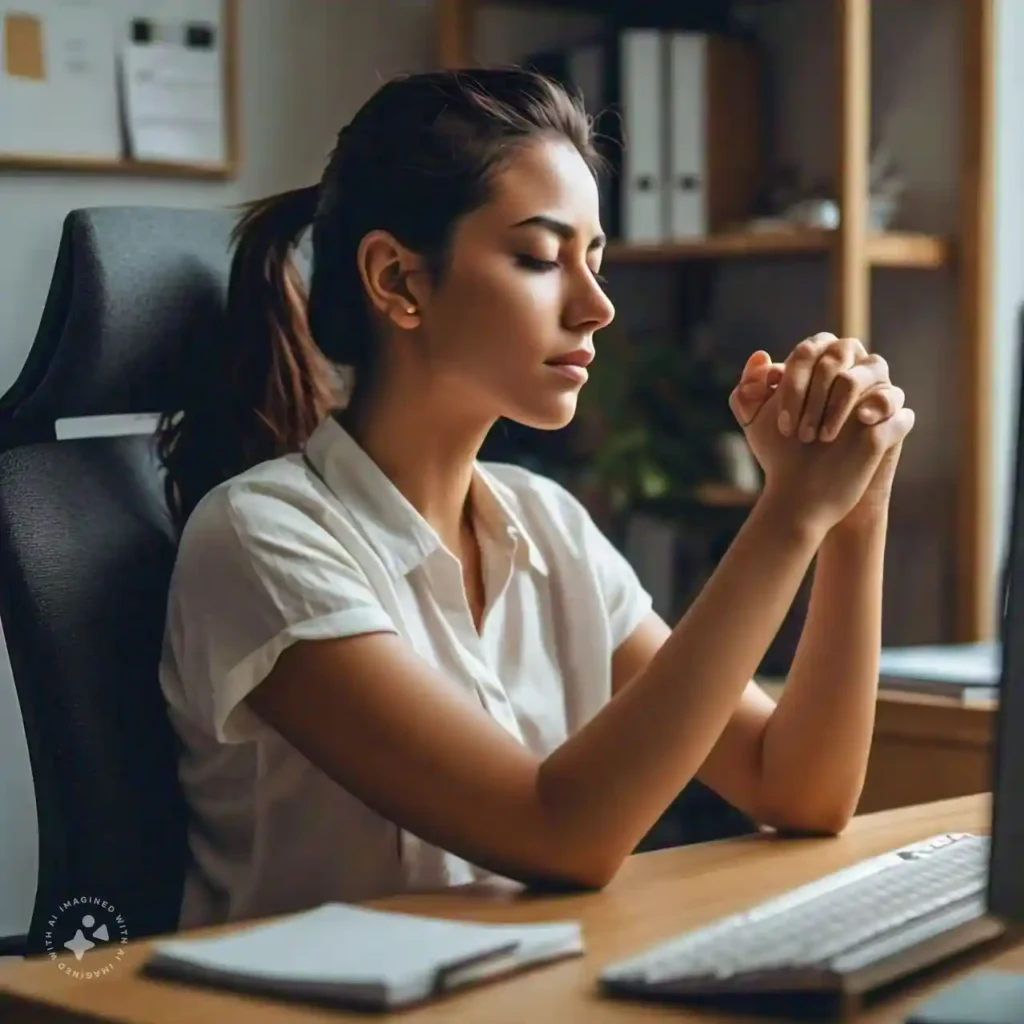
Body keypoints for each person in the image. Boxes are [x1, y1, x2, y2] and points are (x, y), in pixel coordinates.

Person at [156, 67, 914, 930]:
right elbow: (563, 834)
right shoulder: (260, 537)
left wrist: (856, 512)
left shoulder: (547, 525)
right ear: (398, 281)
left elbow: (798, 787)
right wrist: (790, 515)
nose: (596, 307)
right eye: (538, 258)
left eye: (593, 259)